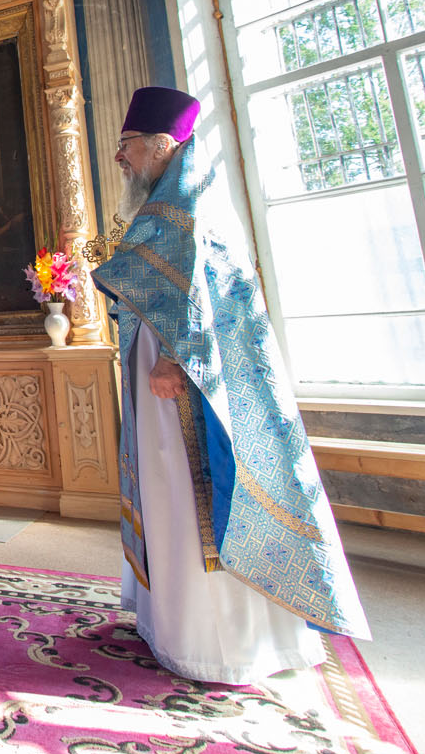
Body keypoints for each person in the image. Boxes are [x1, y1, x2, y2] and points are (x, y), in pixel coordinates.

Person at [91, 86, 368, 684]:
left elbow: (200, 295)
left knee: (192, 491)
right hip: (161, 374)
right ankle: (169, 621)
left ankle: (215, 643)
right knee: (163, 489)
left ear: (161, 145)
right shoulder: (168, 202)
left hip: (185, 382)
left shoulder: (189, 205)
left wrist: (175, 360)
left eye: (127, 144)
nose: (119, 156)